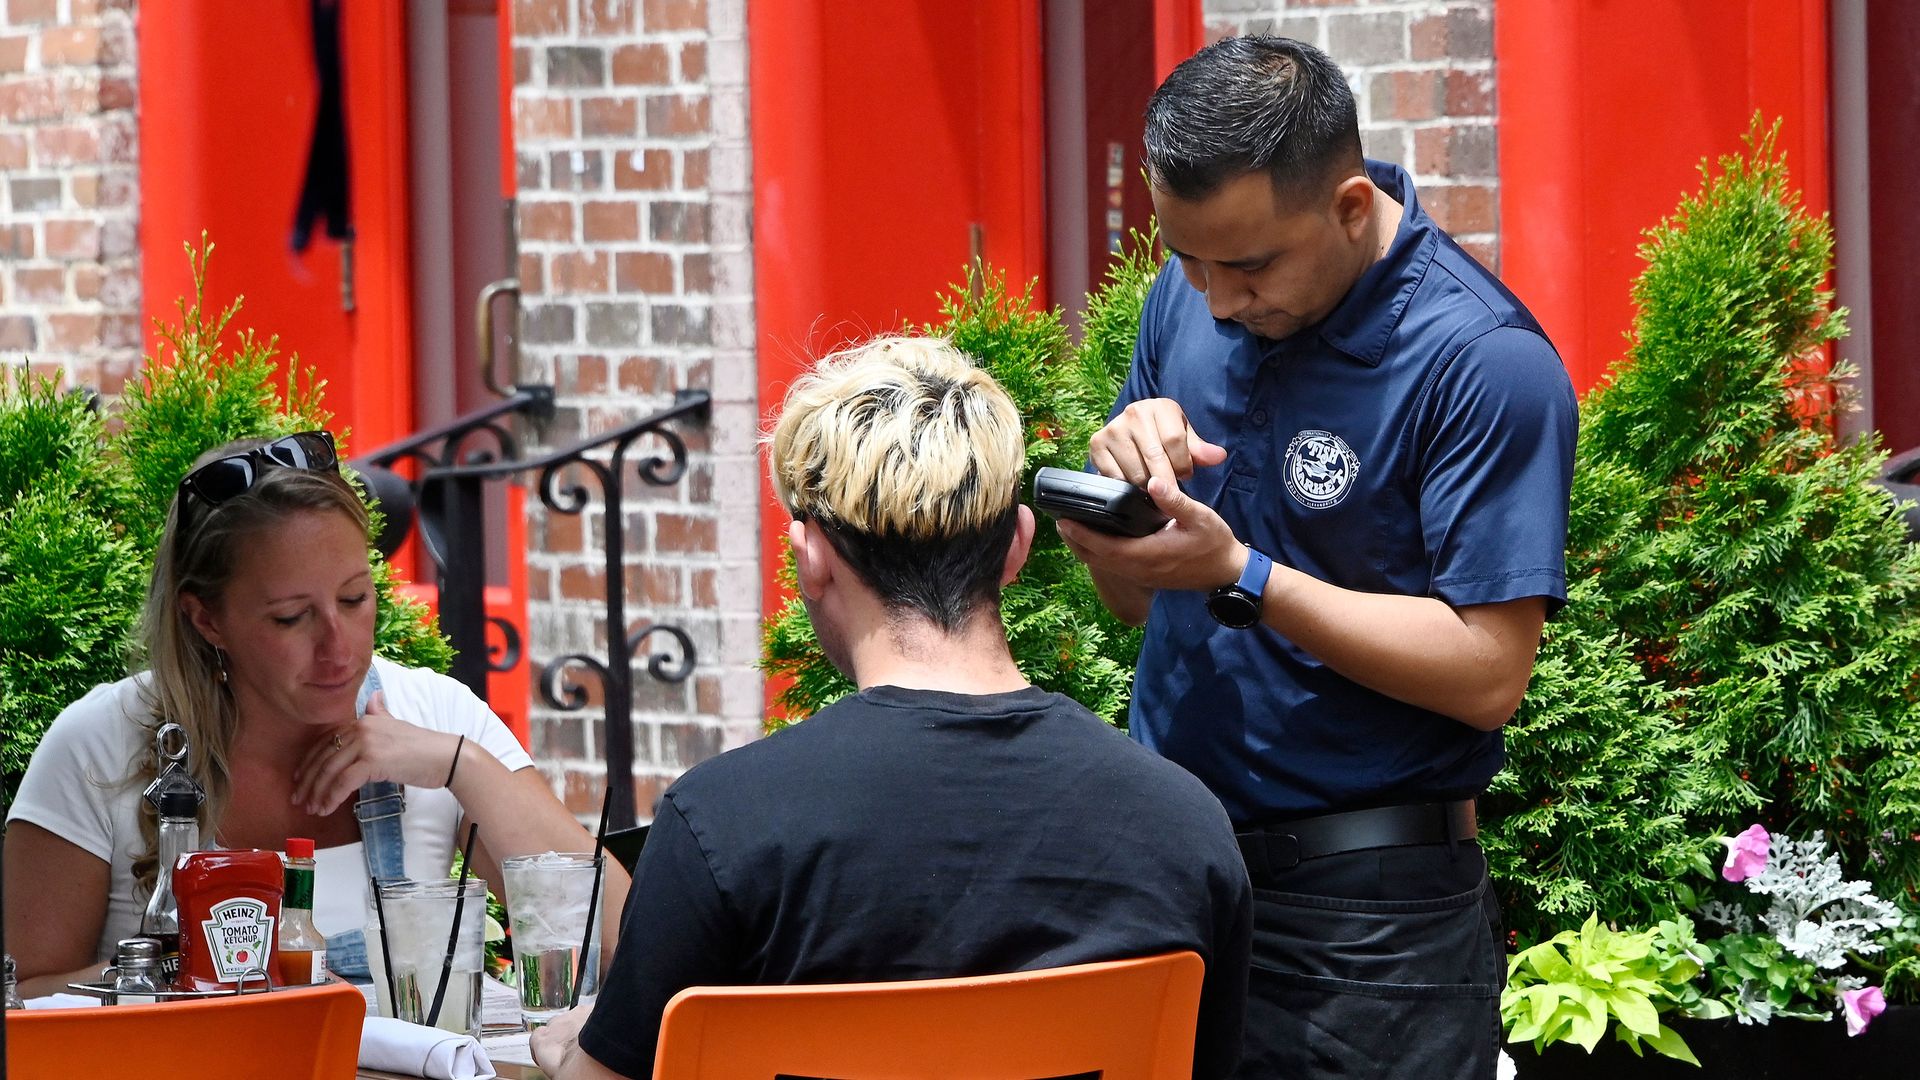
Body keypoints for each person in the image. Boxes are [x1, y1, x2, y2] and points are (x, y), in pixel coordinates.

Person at [1054, 37, 1578, 1079]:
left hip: (1368, 923)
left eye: (1246, 265)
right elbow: (1130, 605)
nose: (1213, 299)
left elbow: (1489, 676)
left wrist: (1244, 575)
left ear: (1348, 207)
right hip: (1174, 876)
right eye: (1188, 258)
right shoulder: (1188, 295)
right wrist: (1108, 523)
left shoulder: (1484, 363)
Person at [531, 336, 1253, 1079]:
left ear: (809, 558)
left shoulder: (724, 823)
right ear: (1018, 545)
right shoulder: (1184, 824)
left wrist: (562, 1055)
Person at [4, 430, 625, 997]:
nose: (339, 645)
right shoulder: (97, 747)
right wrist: (187, 969)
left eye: (355, 598)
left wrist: (462, 765)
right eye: (290, 617)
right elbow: (21, 993)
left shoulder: (435, 714)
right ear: (206, 618)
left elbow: (620, 941)